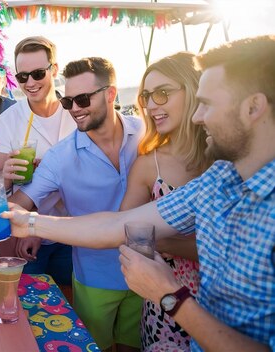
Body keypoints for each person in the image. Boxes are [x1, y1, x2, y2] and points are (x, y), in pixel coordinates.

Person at [3, 35, 275, 352]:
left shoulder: (144, 136)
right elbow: (121, 224)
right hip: (114, 283)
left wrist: (171, 294)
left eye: (207, 104)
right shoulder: (219, 179)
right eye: (148, 96)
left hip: (157, 294)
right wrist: (28, 222)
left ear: (254, 106)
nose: (197, 116)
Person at [8, 57, 143, 351]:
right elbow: (21, 202)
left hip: (148, 272)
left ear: (111, 93)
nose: (75, 109)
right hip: (95, 278)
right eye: (68, 102)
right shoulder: (60, 156)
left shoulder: (145, 134)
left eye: (82, 99)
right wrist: (20, 214)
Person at [121, 52, 213, 351]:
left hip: (226, 303)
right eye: (146, 96)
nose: (149, 106)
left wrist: (160, 238)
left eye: (162, 94)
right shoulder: (149, 165)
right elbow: (126, 232)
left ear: (195, 89)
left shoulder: (226, 158)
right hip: (167, 305)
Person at [0, 36, 76, 290]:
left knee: (72, 306)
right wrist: (5, 174)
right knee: (27, 305)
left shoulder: (76, 114)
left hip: (72, 233)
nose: (30, 83)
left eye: (38, 74)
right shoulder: (8, 121)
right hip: (24, 237)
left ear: (54, 70)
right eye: (23, 76)